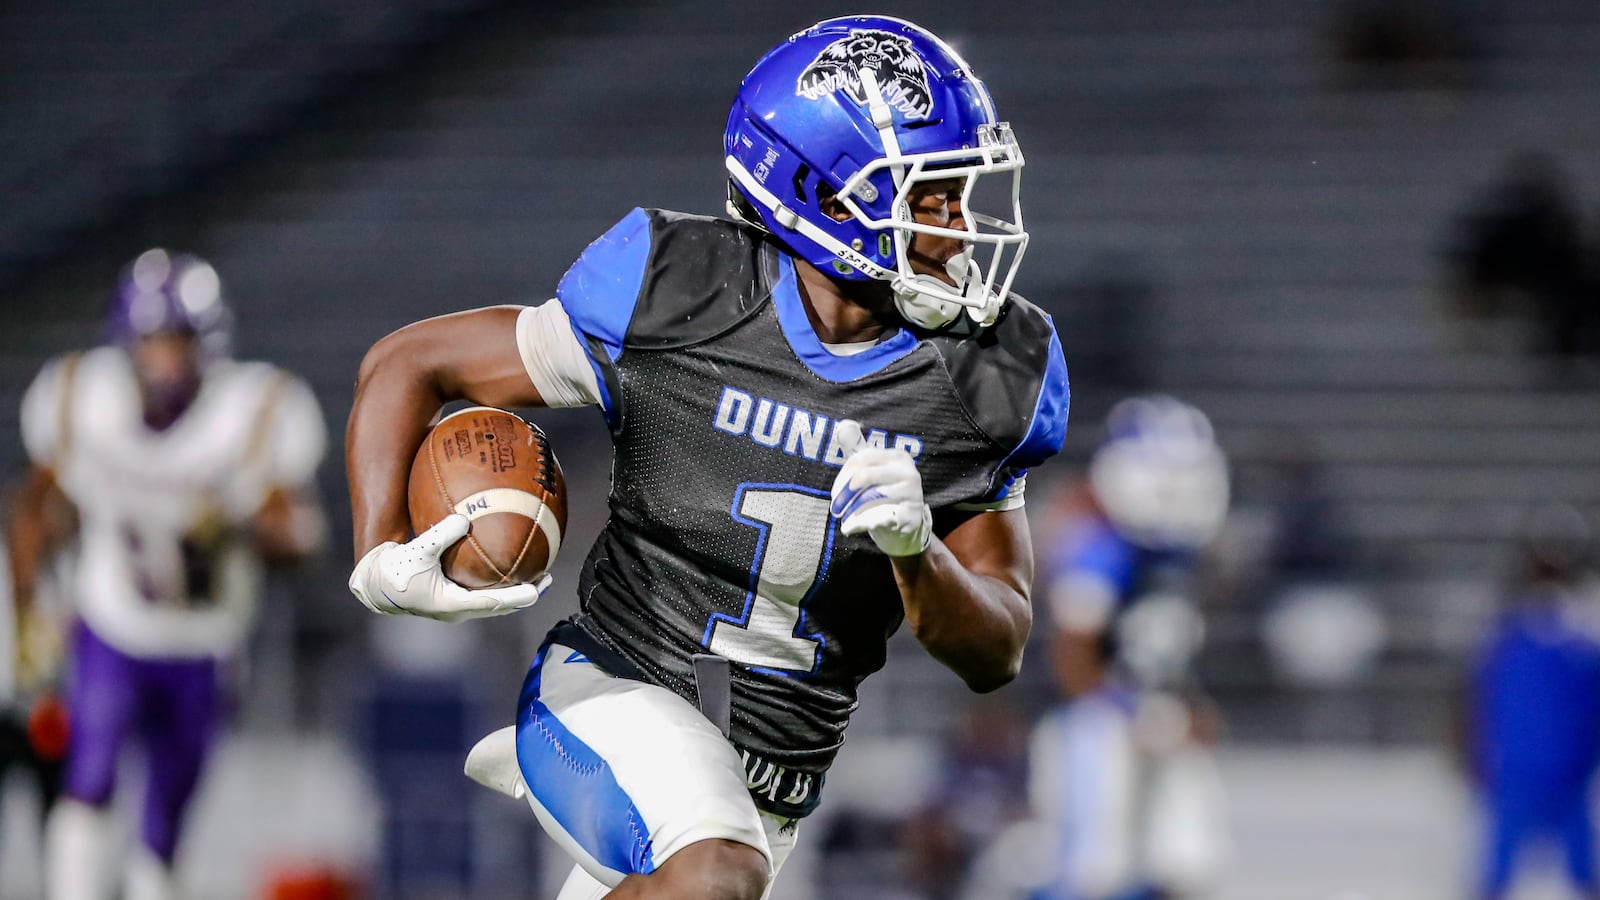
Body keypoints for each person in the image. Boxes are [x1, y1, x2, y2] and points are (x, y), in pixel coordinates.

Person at [344, 15, 1069, 900]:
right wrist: (380, 550)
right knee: (714, 875)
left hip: (772, 794)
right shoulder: (681, 293)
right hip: (612, 691)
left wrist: (920, 554)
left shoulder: (987, 372)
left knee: (722, 868)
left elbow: (997, 648)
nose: (961, 231)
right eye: (929, 199)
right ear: (825, 196)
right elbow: (412, 362)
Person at [8, 248, 328, 900]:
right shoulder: (82, 398)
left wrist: (232, 527)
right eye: (152, 341)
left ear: (207, 344)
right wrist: (27, 602)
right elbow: (37, 506)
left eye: (178, 341)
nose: (165, 359)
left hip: (204, 638)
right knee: (87, 782)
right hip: (112, 621)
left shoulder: (251, 413)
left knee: (166, 820)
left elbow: (301, 536)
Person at [1031, 396, 1230, 900]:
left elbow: (1167, 653)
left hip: (1157, 718)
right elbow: (1072, 652)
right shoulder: (1101, 546)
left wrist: (1188, 708)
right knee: (1096, 864)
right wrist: (1122, 711)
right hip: (1098, 723)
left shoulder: (1177, 556)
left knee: (1186, 859)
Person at [1459, 508, 1600, 900]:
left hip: (1562, 766)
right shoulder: (1509, 625)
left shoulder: (1583, 624)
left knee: (1580, 866)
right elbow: (1480, 694)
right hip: (1520, 765)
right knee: (1499, 867)